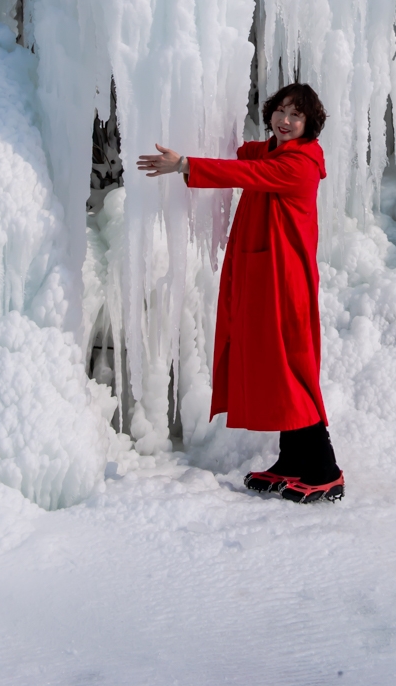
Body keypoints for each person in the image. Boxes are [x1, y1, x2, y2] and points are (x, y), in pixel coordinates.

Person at [136, 83, 343, 504]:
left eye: (296, 116)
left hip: (287, 284)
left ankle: (324, 469)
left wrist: (186, 165)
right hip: (266, 278)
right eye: (281, 111)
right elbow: (246, 152)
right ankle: (292, 460)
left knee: (291, 370)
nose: (285, 121)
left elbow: (246, 172)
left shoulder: (299, 164)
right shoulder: (274, 151)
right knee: (275, 365)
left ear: (310, 126)